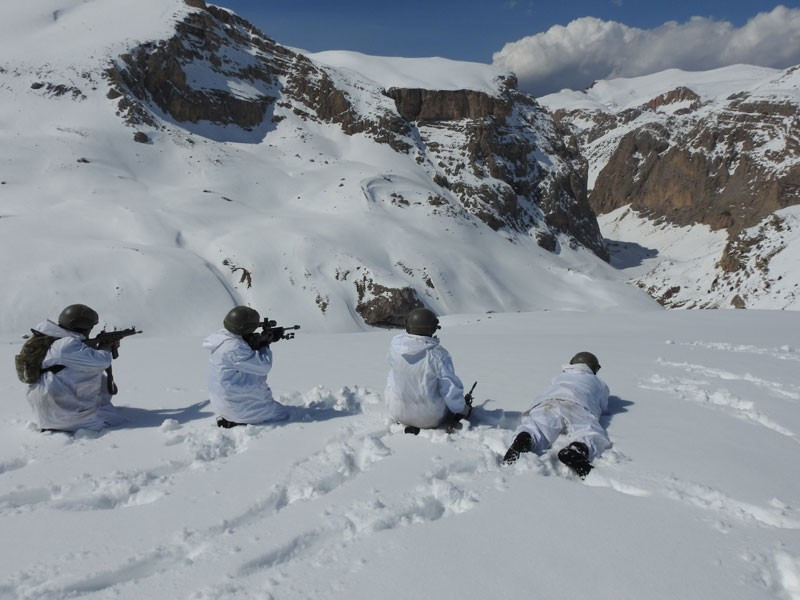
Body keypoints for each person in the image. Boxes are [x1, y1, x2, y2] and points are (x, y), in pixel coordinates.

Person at [503, 352, 610, 478]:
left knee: (537, 426)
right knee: (588, 432)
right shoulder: (599, 382)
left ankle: (527, 437)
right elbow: (603, 406)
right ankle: (578, 449)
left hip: (548, 403)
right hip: (578, 406)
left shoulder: (560, 377)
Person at [25, 304, 124, 433]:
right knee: (113, 419)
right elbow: (102, 361)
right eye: (90, 327)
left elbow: (75, 359)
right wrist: (106, 347)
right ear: (82, 326)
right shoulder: (67, 345)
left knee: (96, 375)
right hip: (63, 415)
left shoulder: (51, 339)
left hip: (45, 412)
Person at [385, 307, 471, 434]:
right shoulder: (438, 355)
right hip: (430, 419)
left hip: (398, 413)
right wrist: (462, 409)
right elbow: (449, 389)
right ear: (432, 328)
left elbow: (391, 380)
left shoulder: (395, 348)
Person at [202, 306, 288, 428]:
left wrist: (257, 342)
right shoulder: (234, 348)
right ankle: (241, 421)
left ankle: (235, 418)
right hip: (238, 408)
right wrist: (265, 345)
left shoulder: (221, 339)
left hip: (222, 404)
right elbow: (264, 366)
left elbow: (242, 356)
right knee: (283, 414)